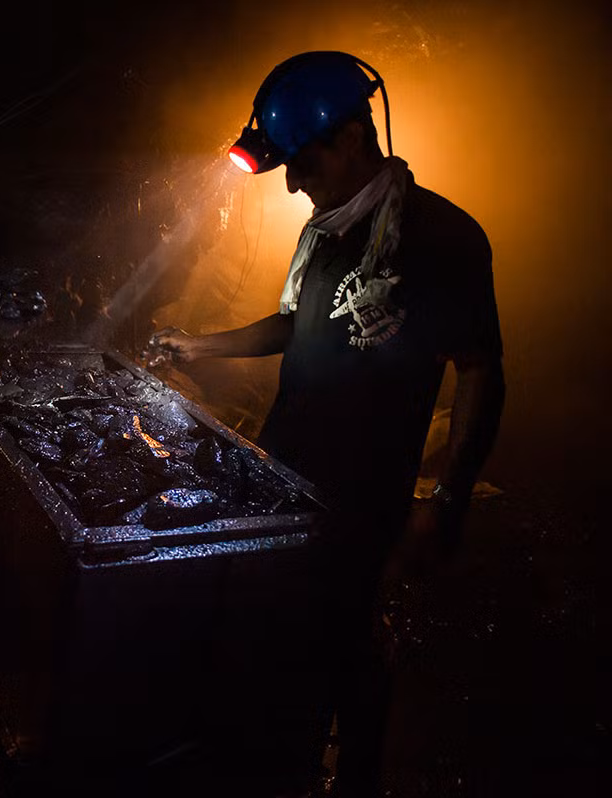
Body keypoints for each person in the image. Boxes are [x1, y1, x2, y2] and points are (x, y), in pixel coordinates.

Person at [152, 52, 505, 796]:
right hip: (287, 471)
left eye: (303, 162)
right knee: (290, 630)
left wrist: (446, 500)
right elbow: (291, 324)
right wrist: (198, 344)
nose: (291, 182)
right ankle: (283, 750)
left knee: (344, 633)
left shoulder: (441, 236)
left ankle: (357, 773)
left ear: (350, 138)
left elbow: (478, 369)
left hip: (364, 488)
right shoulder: (325, 233)